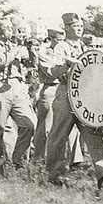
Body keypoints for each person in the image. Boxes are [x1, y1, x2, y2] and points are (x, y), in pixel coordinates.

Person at [46, 12, 103, 188]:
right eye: (75, 26)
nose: (79, 29)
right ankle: (53, 175)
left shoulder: (85, 47)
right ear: (66, 28)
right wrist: (66, 65)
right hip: (65, 94)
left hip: (84, 96)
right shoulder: (61, 47)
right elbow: (53, 72)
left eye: (80, 26)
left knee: (94, 133)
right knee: (59, 135)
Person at [0, 15, 37, 172]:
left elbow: (31, 63)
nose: (9, 31)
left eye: (10, 28)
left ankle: (18, 161)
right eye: (5, 28)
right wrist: (17, 48)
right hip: (0, 86)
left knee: (29, 124)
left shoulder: (16, 46)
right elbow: (1, 62)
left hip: (17, 86)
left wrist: (30, 49)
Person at [32, 28, 65, 162]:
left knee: (61, 127)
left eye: (63, 40)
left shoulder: (64, 50)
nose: (61, 42)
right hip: (50, 89)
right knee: (44, 128)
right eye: (58, 39)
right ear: (50, 39)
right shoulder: (44, 52)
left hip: (62, 88)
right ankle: (39, 159)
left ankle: (59, 159)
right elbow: (51, 71)